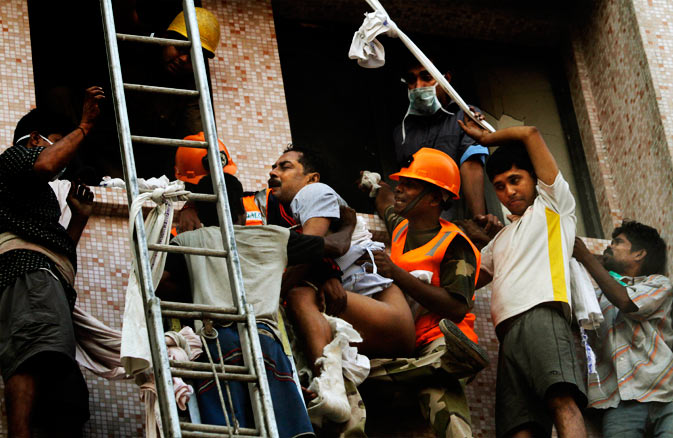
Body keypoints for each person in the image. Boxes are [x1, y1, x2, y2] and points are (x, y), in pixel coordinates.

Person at [156, 173, 357, 438]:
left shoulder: (188, 242)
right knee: (283, 431)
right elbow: (337, 246)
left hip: (215, 342)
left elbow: (160, 282)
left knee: (229, 430)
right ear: (241, 212)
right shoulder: (273, 237)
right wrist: (349, 225)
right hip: (264, 343)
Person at [459, 111, 587, 437]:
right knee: (520, 429)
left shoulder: (554, 206)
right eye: (499, 187)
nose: (508, 192)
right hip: (508, 334)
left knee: (562, 402)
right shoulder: (499, 240)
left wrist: (488, 139)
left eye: (515, 180)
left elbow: (530, 133)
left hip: (543, 316)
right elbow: (466, 280)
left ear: (534, 178)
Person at [361, 147, 488, 438]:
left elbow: (457, 307)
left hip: (441, 338)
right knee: (433, 398)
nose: (400, 189)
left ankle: (451, 359)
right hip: (410, 343)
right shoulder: (401, 227)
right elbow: (385, 203)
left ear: (434, 198)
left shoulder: (456, 244)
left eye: (410, 184)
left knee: (371, 378)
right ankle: (443, 366)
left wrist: (396, 273)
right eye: (400, 183)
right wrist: (373, 184)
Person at [0, 86, 104, 437]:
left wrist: (79, 219)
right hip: (30, 278)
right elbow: (47, 162)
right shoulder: (14, 159)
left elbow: (57, 251)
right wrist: (85, 125)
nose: (64, 155)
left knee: (64, 393)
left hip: (47, 283)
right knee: (34, 352)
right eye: (58, 142)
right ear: (34, 139)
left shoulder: (36, 196)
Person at [573, 222, 672, 438]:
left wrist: (587, 258)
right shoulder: (598, 298)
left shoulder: (658, 284)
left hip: (665, 395)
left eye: (618, 242)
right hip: (618, 403)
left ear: (639, 254)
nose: (610, 246)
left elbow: (626, 302)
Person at [393, 59, 500, 234]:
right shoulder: (402, 131)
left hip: (459, 226)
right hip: (418, 228)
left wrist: (478, 219)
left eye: (426, 77)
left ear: (446, 78)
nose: (418, 86)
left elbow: (471, 165)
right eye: (411, 80)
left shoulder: (466, 116)